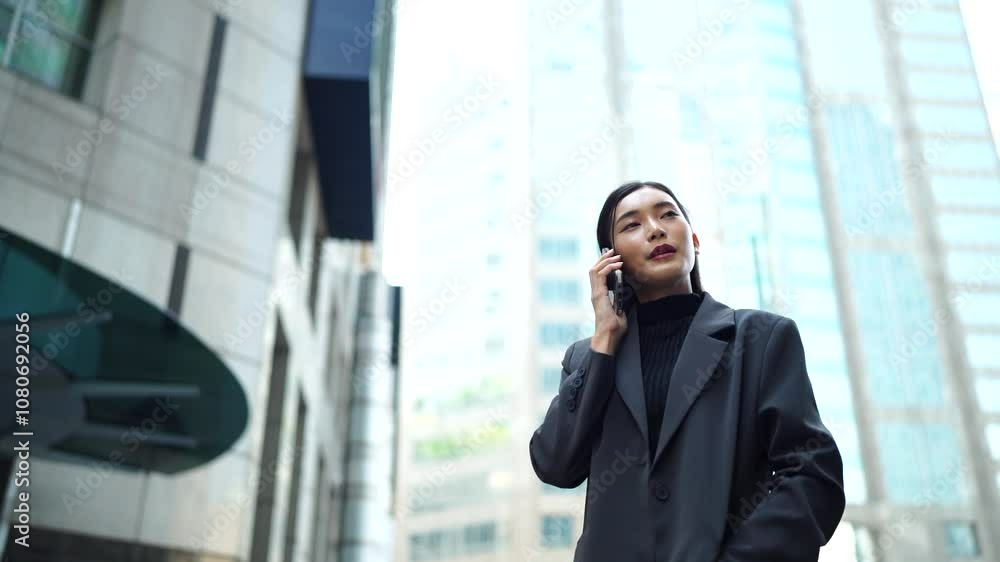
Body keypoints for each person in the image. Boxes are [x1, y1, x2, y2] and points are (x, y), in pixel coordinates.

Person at [528, 181, 846, 562]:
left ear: (693, 240)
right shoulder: (588, 358)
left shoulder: (761, 339)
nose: (655, 229)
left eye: (667, 215)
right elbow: (555, 464)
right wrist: (603, 342)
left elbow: (813, 472)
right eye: (632, 225)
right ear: (610, 261)